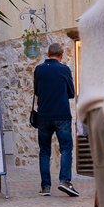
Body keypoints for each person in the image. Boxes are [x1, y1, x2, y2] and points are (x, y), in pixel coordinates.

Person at [34, 42, 78, 197]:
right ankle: (65, 181)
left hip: (43, 116)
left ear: (48, 54)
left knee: (44, 151)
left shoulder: (38, 70)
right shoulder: (64, 69)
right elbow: (71, 93)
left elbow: (37, 91)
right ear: (61, 55)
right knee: (66, 148)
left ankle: (45, 187)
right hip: (62, 115)